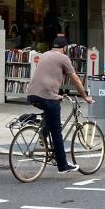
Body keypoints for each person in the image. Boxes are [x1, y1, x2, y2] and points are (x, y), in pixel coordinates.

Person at [26, 35, 94, 174]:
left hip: (32, 94)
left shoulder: (44, 54)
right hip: (47, 96)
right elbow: (75, 78)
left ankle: (43, 135)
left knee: (48, 114)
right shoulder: (64, 58)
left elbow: (48, 75)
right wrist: (85, 96)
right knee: (57, 132)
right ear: (64, 48)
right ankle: (63, 165)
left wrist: (57, 95)